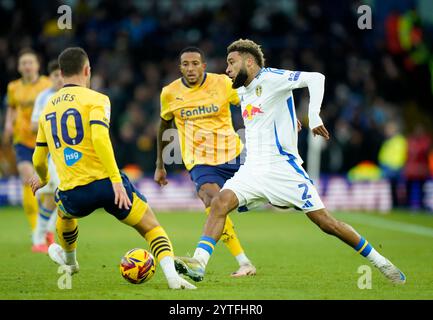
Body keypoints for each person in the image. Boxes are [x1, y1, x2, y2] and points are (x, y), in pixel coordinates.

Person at [175, 39, 406, 285]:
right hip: (252, 170)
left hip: (284, 170)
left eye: (232, 63)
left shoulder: (272, 78)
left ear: (249, 61)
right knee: (220, 203)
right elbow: (268, 113)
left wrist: (314, 115)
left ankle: (381, 262)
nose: (227, 69)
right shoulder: (242, 91)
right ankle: (199, 263)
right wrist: (288, 120)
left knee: (327, 224)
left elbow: (316, 78)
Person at [29, 47, 195, 290]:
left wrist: (43, 178)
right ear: (87, 71)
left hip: (74, 191)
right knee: (151, 227)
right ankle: (172, 277)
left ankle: (70, 261)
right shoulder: (97, 99)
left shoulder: (47, 109)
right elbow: (99, 139)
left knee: (64, 215)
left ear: (61, 73)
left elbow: (38, 158)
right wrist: (116, 180)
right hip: (108, 185)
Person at [154, 47, 256, 277]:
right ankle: (242, 262)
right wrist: (160, 164)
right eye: (186, 64)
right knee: (213, 199)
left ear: (204, 66)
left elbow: (250, 104)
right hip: (201, 162)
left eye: (195, 63)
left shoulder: (223, 83)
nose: (190, 68)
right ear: (180, 67)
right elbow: (163, 126)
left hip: (234, 155)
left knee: (271, 199)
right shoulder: (169, 93)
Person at [3, 48, 52, 251]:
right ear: (19, 66)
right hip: (22, 139)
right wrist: (8, 124)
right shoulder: (13, 87)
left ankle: (46, 228)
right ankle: (37, 232)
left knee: (47, 185)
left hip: (44, 141)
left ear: (37, 66)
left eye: (30, 62)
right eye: (23, 63)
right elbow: (12, 108)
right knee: (27, 179)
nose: (27, 66)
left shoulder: (47, 85)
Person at [29, 60, 64, 253]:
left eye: (61, 75)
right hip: (50, 154)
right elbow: (34, 125)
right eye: (55, 75)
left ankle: (45, 233)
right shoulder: (44, 97)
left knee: (57, 197)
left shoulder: (68, 95)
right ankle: (40, 237)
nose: (59, 79)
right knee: (56, 197)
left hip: (65, 154)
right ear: (49, 77)